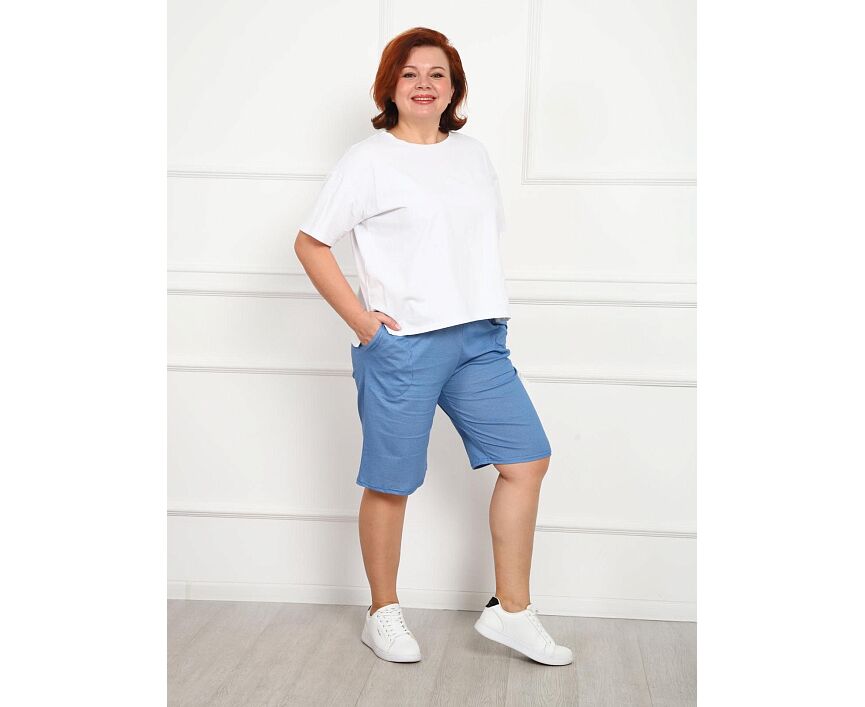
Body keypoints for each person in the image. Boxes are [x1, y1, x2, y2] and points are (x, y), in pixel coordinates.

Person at [294, 27, 573, 667]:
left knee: (526, 460)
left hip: (479, 339)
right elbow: (311, 243)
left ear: (454, 89)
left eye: (437, 74)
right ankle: (382, 613)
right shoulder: (367, 161)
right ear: (390, 86)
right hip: (404, 346)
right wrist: (364, 323)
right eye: (411, 73)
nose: (424, 84)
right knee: (391, 481)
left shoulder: (472, 154)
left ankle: (512, 611)